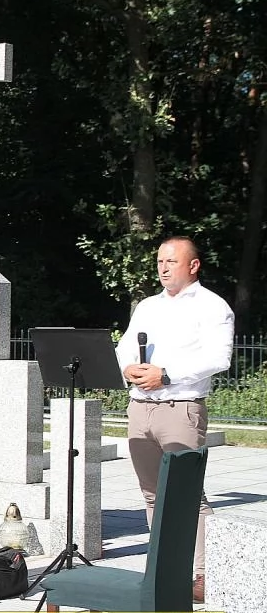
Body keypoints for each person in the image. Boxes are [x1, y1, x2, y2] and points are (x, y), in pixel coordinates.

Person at [115, 235, 233, 604]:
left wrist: (166, 374)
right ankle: (164, 567)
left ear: (193, 266)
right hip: (140, 408)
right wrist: (127, 367)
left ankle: (205, 573)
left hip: (180, 408)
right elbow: (123, 346)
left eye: (171, 261)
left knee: (187, 495)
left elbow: (219, 357)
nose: (163, 268)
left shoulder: (214, 307)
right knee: (151, 495)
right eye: (159, 262)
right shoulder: (148, 305)